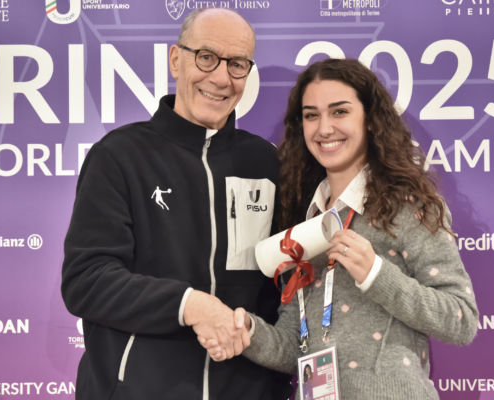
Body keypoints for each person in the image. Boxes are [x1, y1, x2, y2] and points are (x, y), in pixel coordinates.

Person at [200, 58, 479, 399]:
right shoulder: (304, 221)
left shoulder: (406, 208)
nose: (324, 128)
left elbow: (461, 320)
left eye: (340, 111)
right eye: (311, 115)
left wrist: (376, 273)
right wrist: (248, 331)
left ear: (371, 120)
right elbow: (295, 346)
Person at [62, 8, 290, 400]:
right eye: (206, 57)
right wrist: (191, 305)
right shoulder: (119, 155)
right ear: (175, 59)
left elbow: (282, 290)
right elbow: (87, 280)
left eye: (237, 64)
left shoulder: (267, 163)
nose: (221, 78)